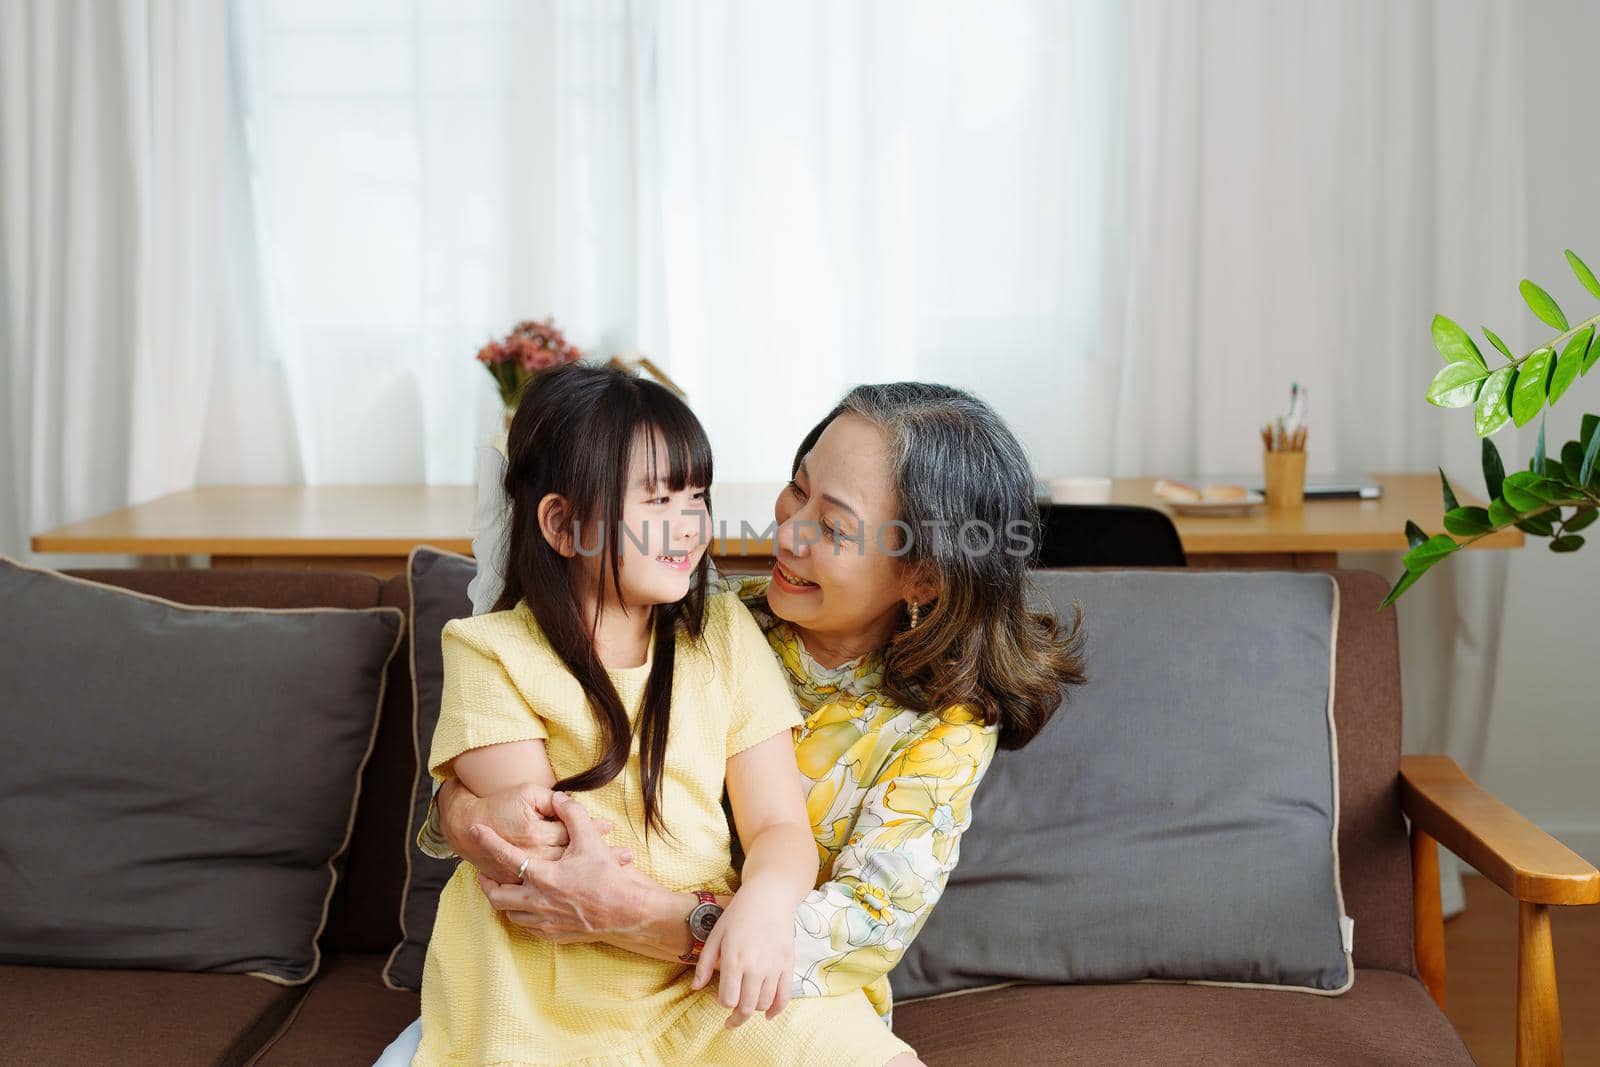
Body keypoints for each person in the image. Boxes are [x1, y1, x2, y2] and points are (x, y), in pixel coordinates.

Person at [377, 381, 1085, 1065]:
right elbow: (519, 790)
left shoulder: (943, 731)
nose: (787, 528)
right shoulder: (718, 612)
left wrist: (641, 908)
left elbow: (850, 929)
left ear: (923, 576)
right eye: (796, 486)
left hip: (757, 992)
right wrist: (466, 808)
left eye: (832, 524)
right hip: (556, 979)